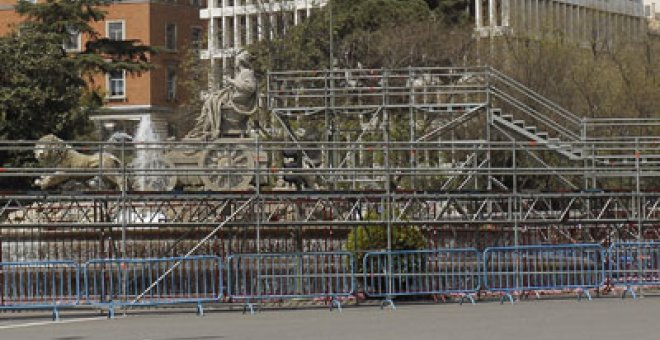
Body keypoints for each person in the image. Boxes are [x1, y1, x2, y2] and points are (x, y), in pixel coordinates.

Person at [186, 50, 258, 139]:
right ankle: (202, 128)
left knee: (213, 101)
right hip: (234, 97)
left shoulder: (247, 72)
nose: (235, 62)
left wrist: (232, 81)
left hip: (238, 101)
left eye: (236, 60)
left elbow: (251, 88)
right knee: (212, 99)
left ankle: (205, 128)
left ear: (240, 61)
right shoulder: (242, 73)